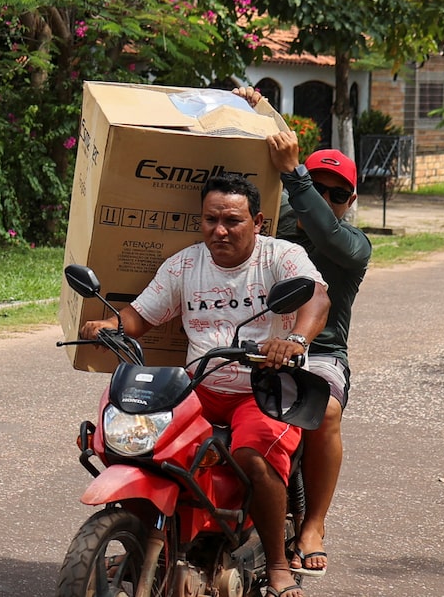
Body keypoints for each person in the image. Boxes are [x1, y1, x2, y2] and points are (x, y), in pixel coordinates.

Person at [81, 172, 330, 597]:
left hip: (264, 389)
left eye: (232, 221)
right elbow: (141, 314)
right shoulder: (185, 264)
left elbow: (316, 299)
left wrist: (294, 340)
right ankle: (158, 539)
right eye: (210, 219)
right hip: (200, 386)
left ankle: (276, 566)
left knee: (252, 456)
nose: (220, 230)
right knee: (150, 449)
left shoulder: (281, 257)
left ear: (258, 221)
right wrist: (110, 324)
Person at [239, 96, 369, 581]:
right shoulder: (269, 232)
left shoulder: (352, 248)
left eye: (338, 194)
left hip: (319, 353)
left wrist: (296, 176)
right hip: (254, 341)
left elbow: (329, 233)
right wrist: (254, 109)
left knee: (326, 409)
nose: (329, 199)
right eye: (319, 187)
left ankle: (312, 525)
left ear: (349, 202)